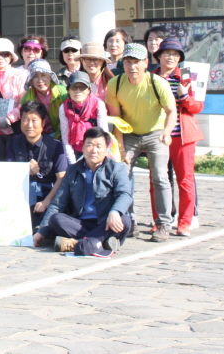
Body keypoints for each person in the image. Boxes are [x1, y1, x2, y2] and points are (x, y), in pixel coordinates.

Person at [104, 43, 177, 242]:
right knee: (122, 174)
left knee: (160, 176)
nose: (132, 67)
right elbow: (117, 118)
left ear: (146, 62)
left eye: (136, 62)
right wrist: (120, 146)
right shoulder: (115, 84)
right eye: (128, 62)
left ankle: (164, 223)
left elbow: (171, 111)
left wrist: (167, 132)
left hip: (156, 132)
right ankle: (129, 221)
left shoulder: (157, 83)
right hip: (129, 132)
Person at [34, 127, 133, 257]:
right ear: (83, 147)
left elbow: (125, 194)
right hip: (80, 224)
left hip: (106, 222)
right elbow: (58, 203)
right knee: (55, 219)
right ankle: (100, 241)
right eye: (90, 145)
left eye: (99, 146)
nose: (94, 150)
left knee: (124, 219)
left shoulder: (116, 168)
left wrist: (114, 212)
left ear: (106, 148)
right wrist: (41, 231)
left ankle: (78, 244)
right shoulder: (72, 170)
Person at [152, 39, 205, 236]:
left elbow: (198, 106)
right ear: (159, 56)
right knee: (157, 180)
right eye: (167, 53)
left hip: (182, 136)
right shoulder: (151, 77)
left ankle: (184, 222)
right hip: (157, 135)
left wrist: (184, 97)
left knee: (185, 179)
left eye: (175, 54)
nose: (170, 57)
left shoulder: (187, 75)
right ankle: (160, 221)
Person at [5, 102, 68, 228]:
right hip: (20, 194)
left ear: (43, 123)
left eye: (34, 120)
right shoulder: (13, 142)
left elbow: (62, 178)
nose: (29, 125)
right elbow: (9, 172)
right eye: (25, 120)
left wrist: (47, 201)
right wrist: (25, 171)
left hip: (47, 195)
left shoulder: (55, 145)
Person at [0, 38, 28, 155]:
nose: (0, 58)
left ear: (11, 57)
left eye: (5, 54)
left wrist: (8, 119)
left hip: (16, 130)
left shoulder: (21, 75)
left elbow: (25, 102)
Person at [58, 71, 110, 163]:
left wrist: (100, 159)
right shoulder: (64, 108)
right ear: (68, 90)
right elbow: (65, 138)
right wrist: (73, 163)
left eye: (82, 87)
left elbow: (103, 134)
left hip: (97, 150)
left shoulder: (98, 104)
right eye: (74, 87)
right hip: (75, 151)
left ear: (89, 90)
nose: (78, 91)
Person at [19, 59, 66, 136]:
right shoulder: (26, 98)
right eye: (35, 76)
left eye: (43, 75)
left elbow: (68, 119)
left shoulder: (63, 93)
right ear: (31, 80)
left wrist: (56, 137)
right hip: (38, 137)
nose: (40, 80)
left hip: (63, 134)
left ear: (50, 77)